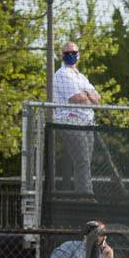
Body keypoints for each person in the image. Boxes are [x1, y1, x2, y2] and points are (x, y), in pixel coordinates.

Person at [52, 40, 101, 195]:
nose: (71, 55)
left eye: (74, 52)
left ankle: (85, 193)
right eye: (67, 53)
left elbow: (97, 98)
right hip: (70, 121)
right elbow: (76, 98)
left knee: (86, 161)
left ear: (78, 55)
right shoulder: (61, 74)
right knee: (82, 160)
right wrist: (87, 95)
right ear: (62, 55)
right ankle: (85, 195)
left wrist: (86, 95)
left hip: (87, 122)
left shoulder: (80, 76)